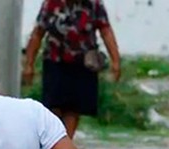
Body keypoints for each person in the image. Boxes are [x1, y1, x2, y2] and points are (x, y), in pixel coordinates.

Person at [22, 0, 122, 140]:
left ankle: (65, 144)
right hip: (55, 61)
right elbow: (38, 33)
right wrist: (29, 64)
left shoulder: (94, 4)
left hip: (84, 63)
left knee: (74, 108)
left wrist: (116, 61)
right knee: (53, 106)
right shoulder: (51, 4)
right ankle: (50, 141)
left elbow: (106, 31)